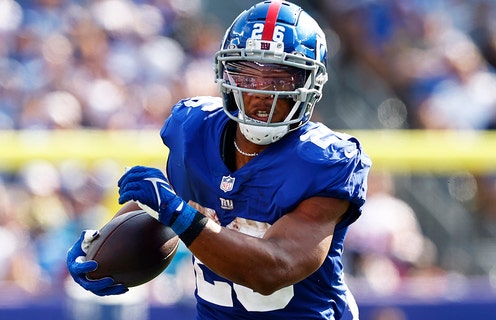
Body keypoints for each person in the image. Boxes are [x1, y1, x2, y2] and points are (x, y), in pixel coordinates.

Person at [66, 1, 371, 319]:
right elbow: (167, 202)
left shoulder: (323, 161)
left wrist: (176, 213)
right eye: (248, 76)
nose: (262, 93)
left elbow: (273, 269)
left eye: (280, 79)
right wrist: (101, 242)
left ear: (310, 85)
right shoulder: (194, 130)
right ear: (226, 74)